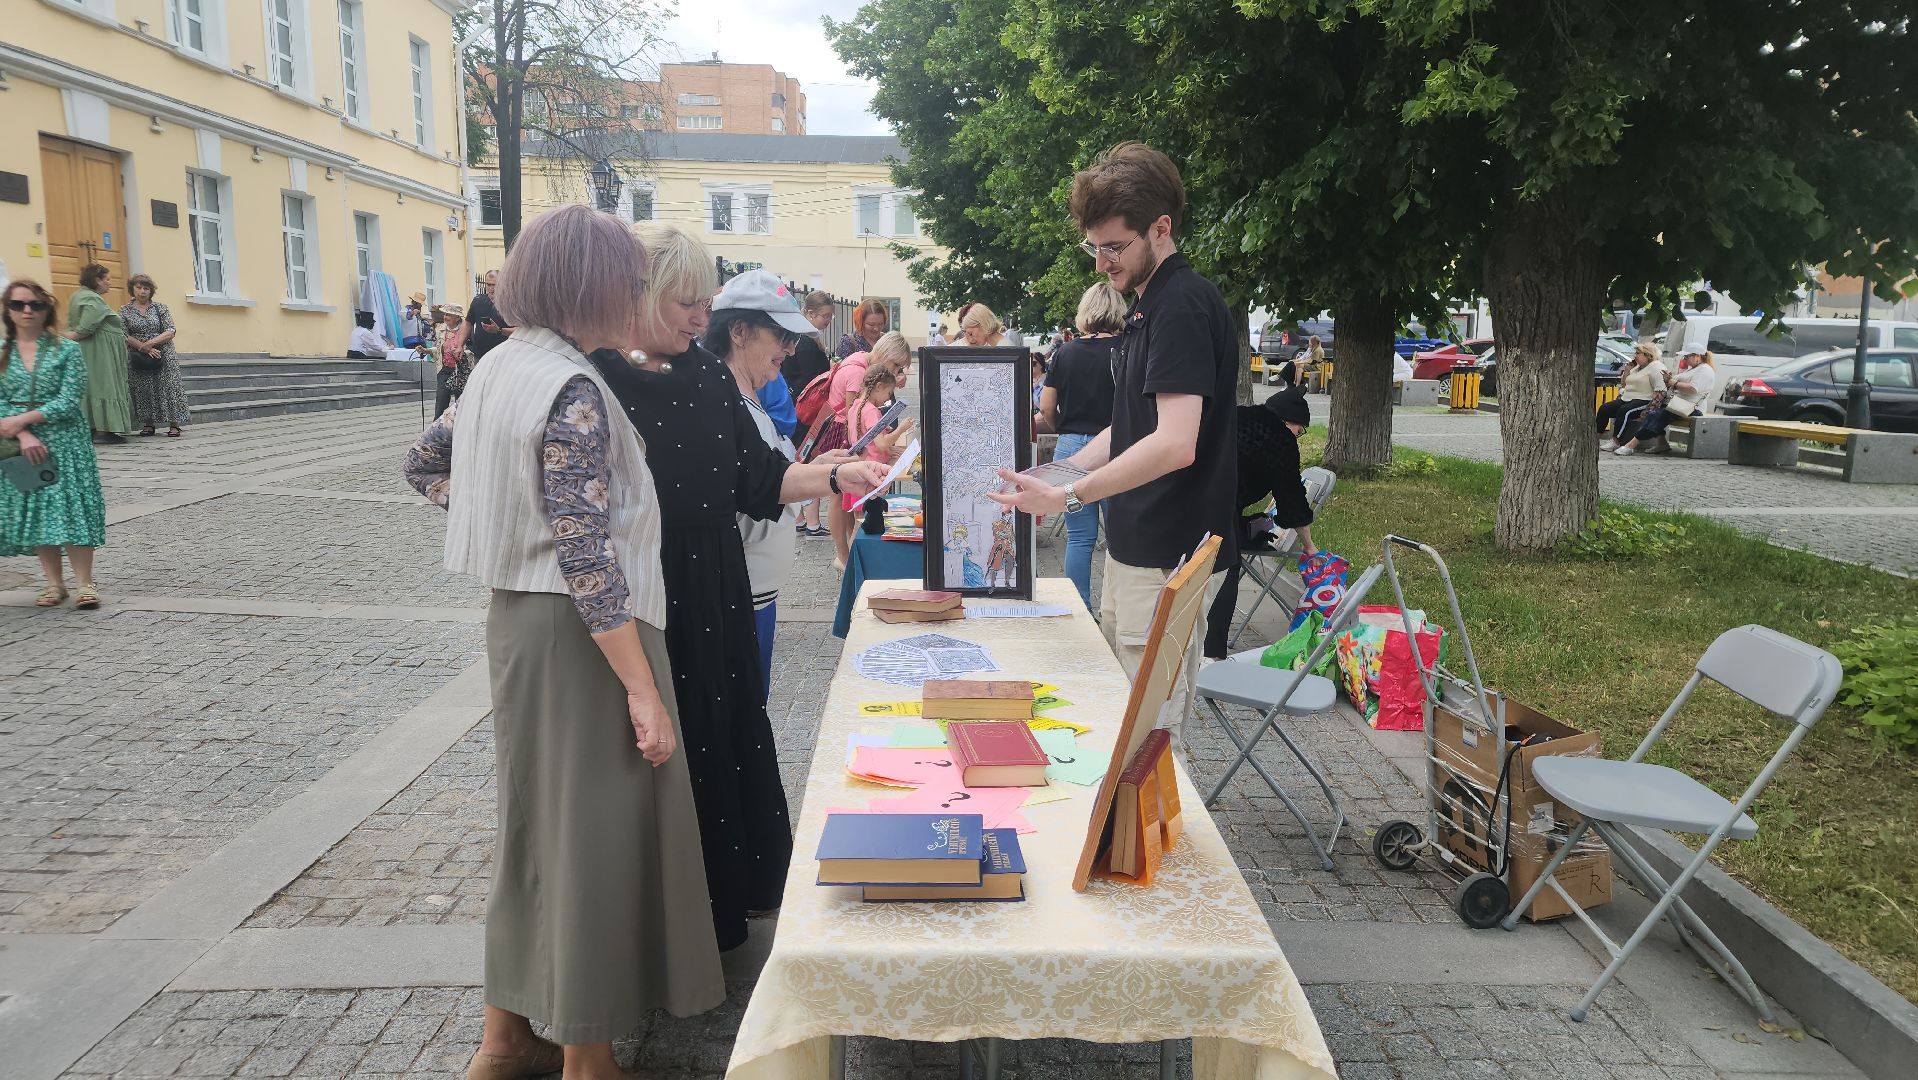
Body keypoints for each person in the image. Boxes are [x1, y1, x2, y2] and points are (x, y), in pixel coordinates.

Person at [401, 206, 723, 1080]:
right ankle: (588, 1058)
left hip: (522, 626)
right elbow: (587, 555)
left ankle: (506, 1039)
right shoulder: (572, 386)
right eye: (628, 281)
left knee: (535, 826)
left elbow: (423, 464)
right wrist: (642, 689)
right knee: (593, 835)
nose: (637, 294)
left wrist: (502, 526)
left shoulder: (501, 366)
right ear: (593, 287)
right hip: (589, 636)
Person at [590, 223, 888, 954]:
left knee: (718, 739)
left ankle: (719, 912)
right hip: (644, 587)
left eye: (705, 302)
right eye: (687, 302)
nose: (702, 317)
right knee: (658, 748)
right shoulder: (593, 374)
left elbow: (761, 478)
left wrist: (838, 473)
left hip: (714, 578)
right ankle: (656, 931)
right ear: (642, 294)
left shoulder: (706, 375)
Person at [988, 141, 1239, 742]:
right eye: (1093, 247)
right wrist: (1060, 473)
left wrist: (1070, 496)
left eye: (1114, 247)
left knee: (1147, 742)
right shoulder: (1151, 306)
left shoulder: (1180, 306)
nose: (1101, 263)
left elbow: (1175, 443)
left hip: (1168, 556)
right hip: (1139, 550)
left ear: (1161, 228)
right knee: (1127, 724)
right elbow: (1130, 427)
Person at [707, 270, 811, 704]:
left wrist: (817, 471)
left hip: (757, 596)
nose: (790, 348)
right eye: (782, 335)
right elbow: (759, 490)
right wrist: (826, 478)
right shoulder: (726, 405)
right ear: (739, 331)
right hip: (739, 599)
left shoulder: (748, 399)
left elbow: (770, 478)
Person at [3, 279, 109, 609]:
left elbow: (69, 397)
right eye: (18, 304)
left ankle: (85, 584)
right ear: (7, 311)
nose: (27, 311)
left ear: (47, 310)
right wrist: (22, 433)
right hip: (23, 443)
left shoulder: (66, 349)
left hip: (66, 442)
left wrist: (25, 419)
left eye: (35, 304)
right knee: (39, 508)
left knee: (72, 507)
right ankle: (53, 583)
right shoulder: (2, 353)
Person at [1203, 389, 1319, 660]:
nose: (1298, 435)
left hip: (1191, 492)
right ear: (1289, 422)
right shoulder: (1280, 439)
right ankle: (1211, 652)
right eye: (1300, 430)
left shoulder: (1241, 415)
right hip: (1219, 503)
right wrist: (1309, 546)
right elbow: (1292, 498)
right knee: (1226, 568)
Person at [1037, 282, 1123, 610]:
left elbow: (1046, 406)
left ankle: (1080, 610)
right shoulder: (1128, 348)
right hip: (1116, 447)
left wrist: (1063, 428)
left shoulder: (1066, 352)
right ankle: (1117, 610)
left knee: (1079, 537)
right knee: (1120, 538)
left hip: (1071, 449)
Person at [823, 332, 913, 568]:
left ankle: (849, 560)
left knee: (857, 520)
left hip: (857, 461)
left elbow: (863, 430)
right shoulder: (866, 398)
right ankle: (850, 561)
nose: (888, 399)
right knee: (860, 521)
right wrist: (898, 430)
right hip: (864, 468)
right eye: (896, 366)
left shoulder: (859, 402)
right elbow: (876, 440)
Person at [783, 290, 837, 537]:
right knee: (809, 461)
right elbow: (810, 381)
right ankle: (812, 522)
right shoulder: (806, 342)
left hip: (800, 410)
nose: (828, 321)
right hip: (807, 413)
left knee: (801, 460)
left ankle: (802, 520)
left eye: (830, 316)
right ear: (810, 313)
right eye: (825, 316)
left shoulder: (801, 338)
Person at [65, 263, 132, 444]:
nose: (110, 283)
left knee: (94, 386)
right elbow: (86, 327)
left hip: (94, 350)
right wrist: (69, 337)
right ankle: (104, 430)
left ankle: (93, 428)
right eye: (107, 279)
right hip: (99, 352)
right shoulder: (92, 298)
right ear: (97, 280)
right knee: (104, 385)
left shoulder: (79, 295)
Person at [120, 274, 191, 438]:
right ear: (132, 289)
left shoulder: (160, 308)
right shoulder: (124, 310)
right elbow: (123, 334)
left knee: (169, 387)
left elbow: (170, 331)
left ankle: (174, 424)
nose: (142, 291)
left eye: (146, 288)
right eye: (139, 287)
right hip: (139, 354)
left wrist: (150, 344)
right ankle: (148, 424)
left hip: (163, 352)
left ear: (151, 291)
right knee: (143, 388)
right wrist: (143, 348)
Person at [1616, 345, 1717, 456]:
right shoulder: (1694, 369)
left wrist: (1673, 383)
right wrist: (1668, 381)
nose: (1684, 359)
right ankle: (1662, 443)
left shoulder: (1705, 370)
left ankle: (1631, 445)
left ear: (1697, 356)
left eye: (1686, 357)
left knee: (1656, 415)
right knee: (1652, 412)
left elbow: (1693, 389)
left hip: (1691, 408)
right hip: (1676, 404)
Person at [1598, 343, 1666, 449]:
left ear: (1648, 355)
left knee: (1624, 411)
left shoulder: (1656, 367)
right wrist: (1627, 371)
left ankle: (1616, 441)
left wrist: (1651, 408)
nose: (1635, 356)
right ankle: (1596, 436)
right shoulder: (1637, 367)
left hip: (1645, 400)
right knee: (1605, 408)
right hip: (1627, 398)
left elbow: (1661, 390)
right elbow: (1624, 385)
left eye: (1638, 353)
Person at [465, 269, 514, 359]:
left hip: (504, 356)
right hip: (480, 355)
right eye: (488, 284)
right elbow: (468, 323)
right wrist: (459, 344)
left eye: (494, 285)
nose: (491, 288)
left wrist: (499, 330)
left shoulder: (512, 304)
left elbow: (520, 331)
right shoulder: (478, 301)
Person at [432, 304, 467, 417]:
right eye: (445, 314)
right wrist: (425, 350)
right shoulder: (440, 329)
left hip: (461, 371)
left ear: (457, 317)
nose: (445, 317)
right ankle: (437, 426)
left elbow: (472, 349)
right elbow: (438, 348)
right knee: (441, 401)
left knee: (460, 402)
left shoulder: (466, 330)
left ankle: (459, 425)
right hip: (444, 369)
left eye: (449, 315)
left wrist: (461, 352)